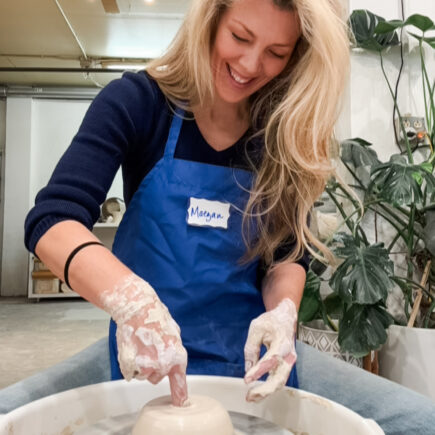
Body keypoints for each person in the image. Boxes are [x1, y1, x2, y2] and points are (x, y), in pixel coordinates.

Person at [23, 0, 435, 433]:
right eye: (240, 37)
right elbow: (53, 221)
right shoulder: (137, 103)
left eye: (276, 52)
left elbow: (286, 258)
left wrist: (283, 316)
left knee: (419, 421)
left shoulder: (282, 132)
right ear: (211, 19)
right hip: (147, 353)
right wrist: (135, 305)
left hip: (249, 356)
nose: (250, 64)